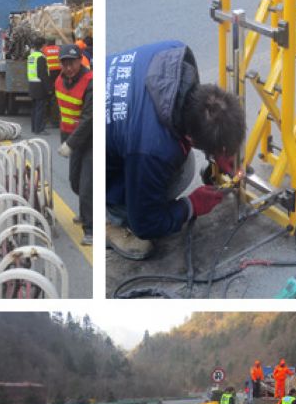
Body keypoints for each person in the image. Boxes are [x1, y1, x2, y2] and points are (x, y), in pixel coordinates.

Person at [105, 40, 246, 260]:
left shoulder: (178, 54)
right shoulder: (151, 148)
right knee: (182, 171)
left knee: (174, 159)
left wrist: (220, 153)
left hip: (110, 122)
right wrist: (190, 206)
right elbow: (146, 224)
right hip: (91, 158)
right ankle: (113, 219)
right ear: (191, 138)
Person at [55, 44, 93, 246]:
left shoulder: (90, 82)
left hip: (91, 140)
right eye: (65, 64)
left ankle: (91, 229)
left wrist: (70, 144)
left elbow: (89, 119)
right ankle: (87, 211)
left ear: (80, 61)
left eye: (72, 63)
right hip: (73, 139)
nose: (69, 67)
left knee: (87, 186)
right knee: (75, 182)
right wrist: (65, 140)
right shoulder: (59, 81)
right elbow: (64, 114)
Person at [27, 37, 51, 134]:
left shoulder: (31, 56)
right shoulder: (41, 57)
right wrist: (49, 88)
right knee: (40, 109)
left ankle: (34, 128)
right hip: (40, 86)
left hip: (32, 84)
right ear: (43, 46)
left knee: (34, 108)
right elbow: (42, 74)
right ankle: (39, 129)